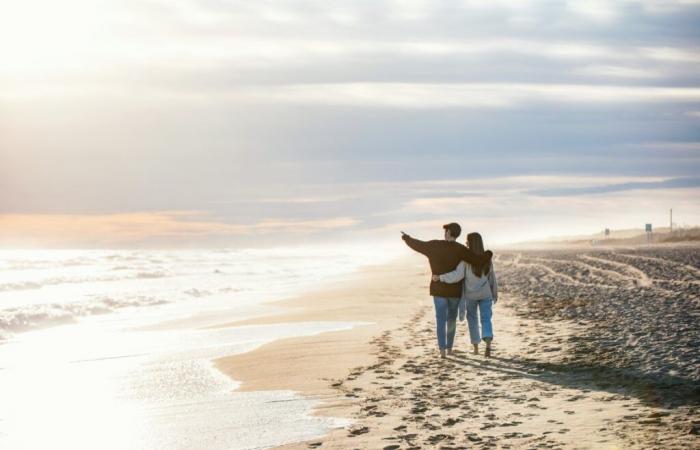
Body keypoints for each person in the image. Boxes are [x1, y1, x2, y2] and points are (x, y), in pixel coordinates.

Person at [402, 223, 493, 359]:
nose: (445, 233)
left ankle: (442, 350)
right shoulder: (461, 250)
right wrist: (489, 253)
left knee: (440, 320)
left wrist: (407, 238)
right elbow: (477, 261)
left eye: (446, 231)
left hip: (438, 289)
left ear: (449, 232)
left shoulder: (434, 245)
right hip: (454, 292)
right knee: (451, 320)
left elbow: (418, 245)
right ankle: (450, 348)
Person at [432, 232, 498, 357]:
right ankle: (488, 345)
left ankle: (476, 348)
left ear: (471, 243)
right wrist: (494, 294)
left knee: (472, 320)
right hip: (485, 295)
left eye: (467, 241)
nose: (466, 243)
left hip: (471, 295)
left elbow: (456, 276)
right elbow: (492, 279)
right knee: (486, 319)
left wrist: (440, 277)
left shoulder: (465, 260)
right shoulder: (486, 259)